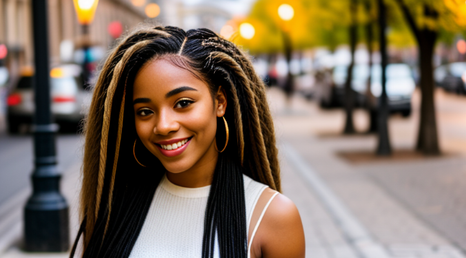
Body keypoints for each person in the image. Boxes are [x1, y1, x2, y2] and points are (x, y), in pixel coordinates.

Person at [71, 25, 305, 258]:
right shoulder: (115, 205)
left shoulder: (272, 216)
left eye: (183, 103)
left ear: (220, 102)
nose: (163, 125)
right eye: (144, 111)